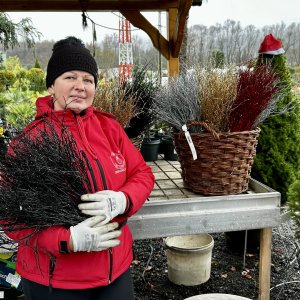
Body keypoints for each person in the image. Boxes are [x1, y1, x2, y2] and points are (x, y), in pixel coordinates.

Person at [4, 36, 155, 300]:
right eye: (70, 77)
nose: (80, 87)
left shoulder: (110, 129)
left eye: (88, 79)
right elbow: (9, 216)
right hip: (55, 281)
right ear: (51, 85)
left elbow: (142, 173)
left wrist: (123, 199)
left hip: (114, 272)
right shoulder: (29, 143)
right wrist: (67, 240)